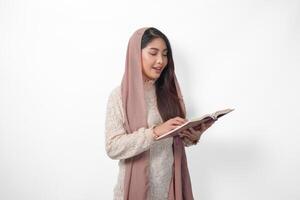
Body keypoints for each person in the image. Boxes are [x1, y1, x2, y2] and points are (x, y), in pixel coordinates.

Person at [104, 27, 215, 200]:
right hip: (135, 190)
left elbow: (174, 138)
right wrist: (154, 132)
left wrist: (192, 136)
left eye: (164, 54)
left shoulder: (168, 93)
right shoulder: (119, 96)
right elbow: (113, 147)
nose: (160, 61)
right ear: (135, 54)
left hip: (169, 186)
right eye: (153, 53)